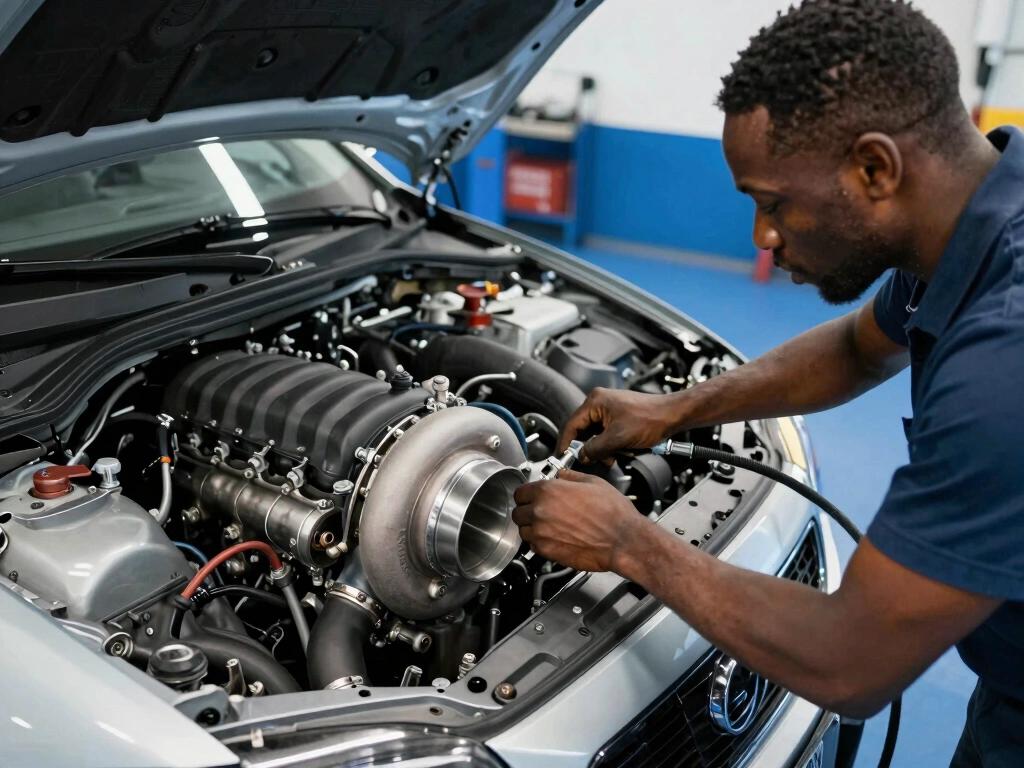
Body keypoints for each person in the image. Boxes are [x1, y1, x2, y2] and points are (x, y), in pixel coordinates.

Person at [511, 1, 1024, 765]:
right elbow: (858, 346)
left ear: (876, 168)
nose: (763, 237)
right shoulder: (967, 230)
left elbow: (850, 663)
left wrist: (627, 541)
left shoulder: (1003, 363)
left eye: (773, 203)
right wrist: (672, 410)